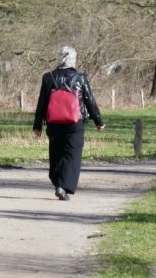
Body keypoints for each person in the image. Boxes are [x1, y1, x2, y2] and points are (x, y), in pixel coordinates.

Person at [33, 46, 105, 201]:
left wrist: (37, 124)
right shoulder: (80, 77)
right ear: (74, 59)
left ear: (58, 59)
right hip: (75, 122)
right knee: (72, 155)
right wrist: (98, 121)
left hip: (53, 122)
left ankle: (58, 181)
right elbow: (89, 100)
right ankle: (63, 186)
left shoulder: (48, 77)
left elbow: (42, 103)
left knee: (56, 153)